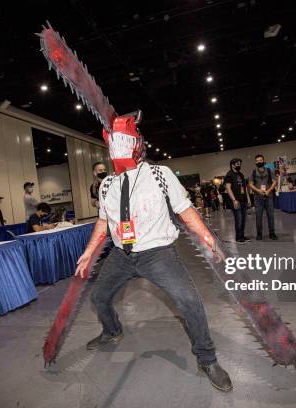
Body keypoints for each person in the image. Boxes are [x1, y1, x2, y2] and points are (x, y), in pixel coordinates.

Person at [75, 113, 232, 392]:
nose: (118, 147)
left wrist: (209, 238)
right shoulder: (107, 184)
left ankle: (207, 359)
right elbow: (103, 221)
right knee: (99, 297)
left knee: (189, 302)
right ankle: (112, 331)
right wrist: (90, 252)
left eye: (124, 140)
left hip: (157, 253)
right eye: (114, 142)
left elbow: (185, 210)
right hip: (121, 255)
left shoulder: (160, 174)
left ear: (137, 144)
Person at [248, 154, 278, 240]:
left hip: (269, 197)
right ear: (255, 162)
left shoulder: (269, 171)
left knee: (270, 216)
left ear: (263, 161)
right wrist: (258, 190)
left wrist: (268, 191)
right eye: (257, 161)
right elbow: (250, 184)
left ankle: (272, 233)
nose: (259, 162)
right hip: (258, 198)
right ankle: (259, 234)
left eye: (260, 160)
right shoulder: (253, 172)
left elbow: (274, 182)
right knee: (258, 216)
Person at [224, 158, 251, 243]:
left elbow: (244, 187)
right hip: (236, 201)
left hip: (244, 200)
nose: (239, 165)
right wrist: (234, 200)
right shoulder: (229, 175)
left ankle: (242, 235)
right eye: (237, 163)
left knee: (243, 219)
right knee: (238, 219)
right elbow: (228, 188)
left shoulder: (241, 175)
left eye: (240, 163)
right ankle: (238, 238)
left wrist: (248, 198)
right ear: (232, 165)